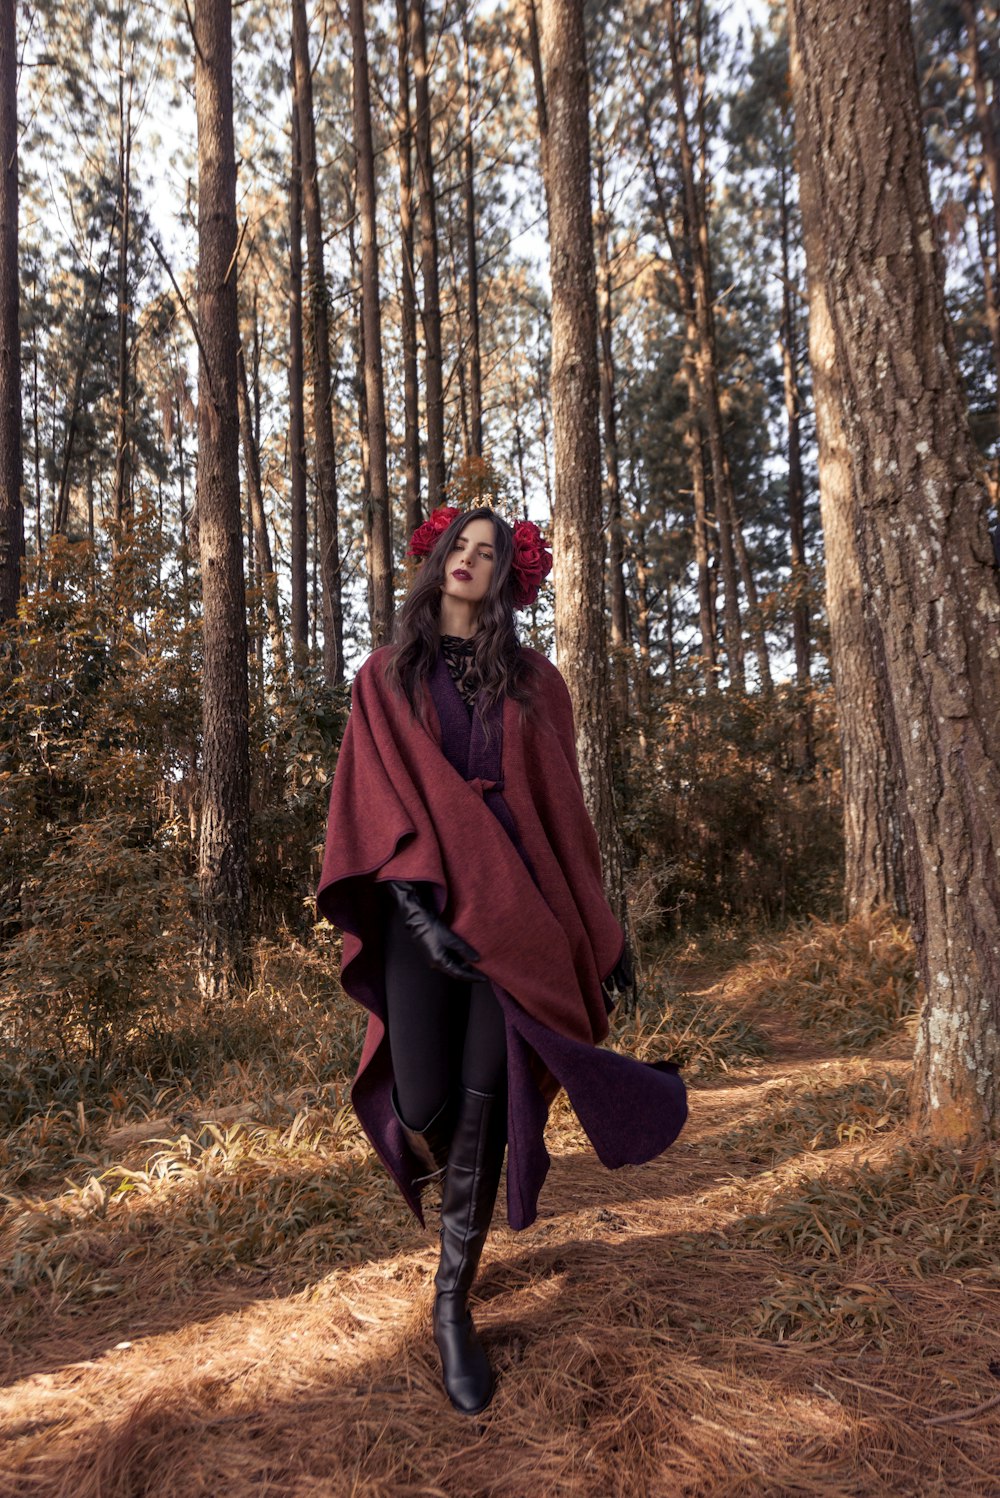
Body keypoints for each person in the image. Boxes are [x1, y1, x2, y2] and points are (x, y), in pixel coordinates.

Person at [317, 504, 687, 1417]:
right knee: (423, 1099)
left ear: (508, 579)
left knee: (486, 1104)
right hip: (424, 914)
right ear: (436, 558)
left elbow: (565, 815)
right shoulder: (383, 677)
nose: (471, 562)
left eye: (490, 554)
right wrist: (413, 908)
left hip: (517, 915)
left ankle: (452, 1307)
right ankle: (434, 1179)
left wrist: (602, 931)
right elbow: (374, 802)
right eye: (461, 548)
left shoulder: (533, 683)